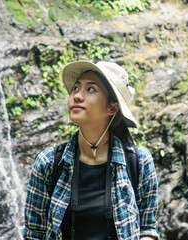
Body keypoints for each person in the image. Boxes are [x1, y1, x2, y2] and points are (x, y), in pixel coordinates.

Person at [23, 61, 159, 240]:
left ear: (112, 107)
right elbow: (34, 234)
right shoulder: (48, 163)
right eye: (76, 88)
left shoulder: (139, 162)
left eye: (91, 89)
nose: (77, 96)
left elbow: (148, 228)